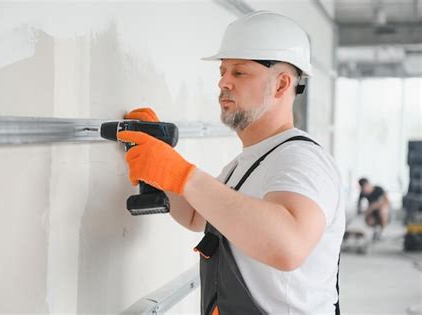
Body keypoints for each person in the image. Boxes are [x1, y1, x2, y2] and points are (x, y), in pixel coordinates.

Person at [118, 11, 345, 314]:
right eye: (223, 71)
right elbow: (198, 216)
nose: (223, 82)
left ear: (280, 85)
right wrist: (162, 163)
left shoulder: (301, 160)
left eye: (239, 73)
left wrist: (184, 175)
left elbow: (288, 245)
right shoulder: (248, 162)